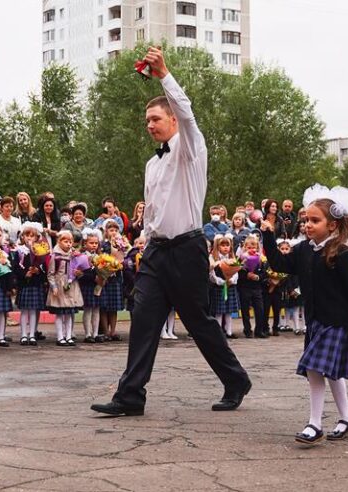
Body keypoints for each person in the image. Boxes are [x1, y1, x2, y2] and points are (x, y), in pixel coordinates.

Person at [91, 47, 251, 417]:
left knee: (198, 322)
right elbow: (154, 210)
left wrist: (164, 74)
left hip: (187, 250)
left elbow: (188, 113)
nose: (149, 124)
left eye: (156, 118)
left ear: (173, 120)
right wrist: (143, 237)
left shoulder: (191, 150)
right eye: (146, 120)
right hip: (157, 252)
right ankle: (130, 396)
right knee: (144, 319)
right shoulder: (152, 163)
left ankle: (235, 379)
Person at [261, 184, 348, 445]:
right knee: (330, 372)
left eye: (315, 220)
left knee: (314, 368)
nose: (308, 225)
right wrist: (267, 236)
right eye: (306, 220)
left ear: (332, 225)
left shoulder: (341, 253)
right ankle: (347, 418)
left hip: (335, 321)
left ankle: (314, 424)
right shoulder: (303, 250)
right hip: (315, 321)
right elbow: (279, 263)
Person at [12, 222, 48, 346]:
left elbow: (45, 268)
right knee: (24, 311)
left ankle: (32, 334)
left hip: (36, 283)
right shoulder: (20, 251)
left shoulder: (41, 251)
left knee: (33, 311)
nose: (29, 238)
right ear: (22, 237)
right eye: (26, 235)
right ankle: (23, 334)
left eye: (32, 236)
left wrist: (38, 271)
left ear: (37, 238)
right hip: (25, 285)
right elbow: (15, 267)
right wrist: (24, 274)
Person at [47, 229, 83, 346]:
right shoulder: (55, 256)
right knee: (59, 313)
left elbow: (79, 270)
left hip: (71, 285)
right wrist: (53, 286)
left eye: (70, 241)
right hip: (59, 286)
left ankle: (68, 336)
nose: (68, 244)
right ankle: (60, 336)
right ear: (59, 241)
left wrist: (79, 273)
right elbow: (51, 273)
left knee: (69, 314)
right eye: (65, 241)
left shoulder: (74, 255)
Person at [209, 234, 240, 339]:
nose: (226, 247)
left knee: (228, 311)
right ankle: (218, 332)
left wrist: (231, 280)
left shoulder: (232, 257)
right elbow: (211, 274)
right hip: (219, 287)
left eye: (228, 245)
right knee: (219, 311)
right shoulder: (214, 259)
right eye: (223, 245)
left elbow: (236, 272)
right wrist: (221, 281)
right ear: (218, 247)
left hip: (230, 286)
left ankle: (229, 331)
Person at [78, 228, 104, 343]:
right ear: (85, 243)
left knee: (96, 309)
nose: (94, 245)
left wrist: (103, 277)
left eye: (96, 243)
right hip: (87, 285)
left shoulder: (100, 256)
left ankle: (96, 333)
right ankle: (88, 334)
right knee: (88, 309)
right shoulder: (82, 256)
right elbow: (79, 273)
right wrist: (92, 277)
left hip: (97, 286)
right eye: (91, 243)